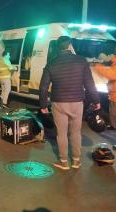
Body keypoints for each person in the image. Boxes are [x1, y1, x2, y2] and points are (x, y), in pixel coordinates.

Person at [39, 36, 100, 170]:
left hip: (59, 103)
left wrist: (43, 105)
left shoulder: (51, 63)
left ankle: (63, 162)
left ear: (57, 47)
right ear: (69, 45)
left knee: (61, 133)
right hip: (77, 102)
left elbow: (43, 86)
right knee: (75, 132)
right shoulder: (81, 61)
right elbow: (90, 84)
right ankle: (76, 161)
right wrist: (96, 101)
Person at [94, 56, 116, 129]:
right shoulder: (113, 62)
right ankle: (113, 125)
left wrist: (98, 66)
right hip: (113, 93)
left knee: (113, 112)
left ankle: (113, 126)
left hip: (115, 94)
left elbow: (111, 74)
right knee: (112, 111)